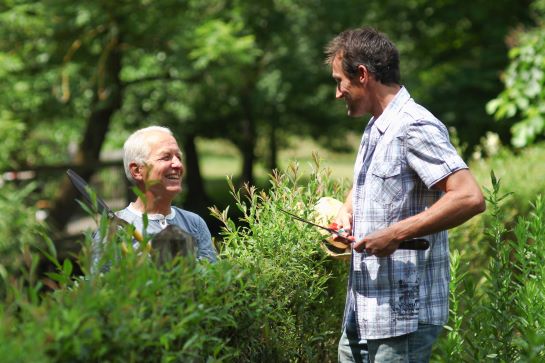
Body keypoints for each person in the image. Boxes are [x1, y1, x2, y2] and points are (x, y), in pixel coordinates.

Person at [324, 27, 486, 362]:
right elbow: (370, 179)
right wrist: (346, 208)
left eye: (340, 81)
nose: (338, 93)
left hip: (402, 317)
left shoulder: (414, 126)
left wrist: (395, 234)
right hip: (363, 309)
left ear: (363, 75)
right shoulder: (375, 126)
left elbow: (469, 197)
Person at [92, 126, 217, 270]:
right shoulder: (112, 232)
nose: (178, 164)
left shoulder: (195, 223)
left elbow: (213, 281)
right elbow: (99, 288)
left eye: (179, 157)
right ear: (137, 170)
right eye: (166, 157)